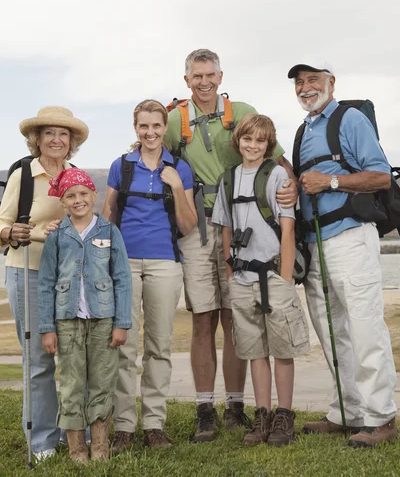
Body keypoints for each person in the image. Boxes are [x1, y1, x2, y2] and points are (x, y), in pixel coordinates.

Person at [163, 49, 298, 442]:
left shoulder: (240, 110)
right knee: (203, 317)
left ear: (221, 77)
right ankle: (206, 408)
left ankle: (237, 406)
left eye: (210, 75)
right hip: (196, 224)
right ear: (186, 80)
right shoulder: (174, 120)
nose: (204, 82)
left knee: (235, 317)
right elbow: (153, 154)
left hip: (241, 223)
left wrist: (290, 188)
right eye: (196, 76)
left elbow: (274, 155)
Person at [288, 60, 398, 447]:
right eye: (300, 82)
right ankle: (347, 412)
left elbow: (381, 175)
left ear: (331, 82)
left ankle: (382, 417)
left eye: (313, 79)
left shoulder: (350, 119)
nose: (305, 87)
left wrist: (331, 180)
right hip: (316, 245)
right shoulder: (303, 131)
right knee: (332, 332)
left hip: (351, 238)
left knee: (366, 327)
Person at [102, 99, 197, 452]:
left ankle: (154, 425)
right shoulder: (121, 166)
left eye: (157, 126)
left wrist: (174, 185)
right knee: (124, 346)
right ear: (136, 129)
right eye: (144, 126)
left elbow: (188, 227)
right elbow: (108, 217)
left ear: (165, 128)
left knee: (159, 347)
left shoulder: (179, 168)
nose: (151, 132)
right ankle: (124, 426)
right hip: (124, 264)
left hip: (164, 264)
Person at [212, 114, 310, 446]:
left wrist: (284, 277)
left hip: (273, 276)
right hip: (241, 278)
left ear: (268, 145)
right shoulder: (228, 179)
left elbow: (287, 228)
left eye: (260, 141)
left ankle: (284, 415)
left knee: (282, 348)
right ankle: (263, 415)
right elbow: (226, 229)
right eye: (247, 139)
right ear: (237, 141)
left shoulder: (277, 175)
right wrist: (229, 273)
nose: (253, 146)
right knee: (255, 351)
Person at [0, 106, 88, 461]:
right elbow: (2, 225)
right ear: (36, 139)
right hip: (28, 270)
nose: (56, 140)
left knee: (72, 357)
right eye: (49, 133)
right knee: (39, 360)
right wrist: (15, 231)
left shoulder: (76, 175)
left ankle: (71, 433)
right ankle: (42, 443)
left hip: (69, 275)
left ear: (71, 142)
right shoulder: (23, 172)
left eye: (63, 134)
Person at [38, 168, 132, 462]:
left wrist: (121, 323)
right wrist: (47, 327)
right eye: (71, 196)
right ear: (63, 202)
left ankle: (100, 444)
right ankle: (77, 446)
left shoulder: (109, 231)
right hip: (66, 321)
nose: (78, 200)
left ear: (94, 195)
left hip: (103, 320)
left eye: (83, 194)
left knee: (103, 380)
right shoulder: (57, 236)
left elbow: (122, 279)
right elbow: (45, 283)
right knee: (71, 382)